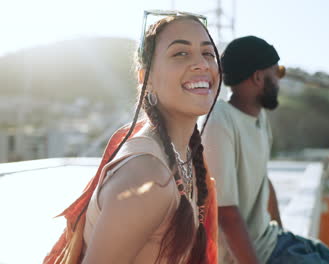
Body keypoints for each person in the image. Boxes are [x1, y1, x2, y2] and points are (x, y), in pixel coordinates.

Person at [44, 12, 222, 264]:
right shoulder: (147, 177)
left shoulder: (183, 155)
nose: (202, 64)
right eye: (180, 53)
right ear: (145, 78)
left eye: (208, 54)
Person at [202, 36, 329, 264]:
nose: (279, 81)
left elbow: (263, 182)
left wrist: (280, 232)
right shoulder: (220, 121)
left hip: (276, 242)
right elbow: (226, 214)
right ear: (258, 77)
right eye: (277, 72)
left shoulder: (259, 117)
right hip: (256, 256)